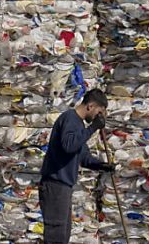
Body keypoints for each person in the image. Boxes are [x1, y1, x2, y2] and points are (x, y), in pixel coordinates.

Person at [39, 88, 115, 244]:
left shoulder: (78, 125)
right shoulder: (70, 119)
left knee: (63, 233)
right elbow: (69, 145)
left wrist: (102, 165)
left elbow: (83, 156)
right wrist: (93, 127)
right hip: (55, 185)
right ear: (90, 106)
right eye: (99, 112)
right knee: (56, 235)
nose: (98, 117)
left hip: (63, 187)